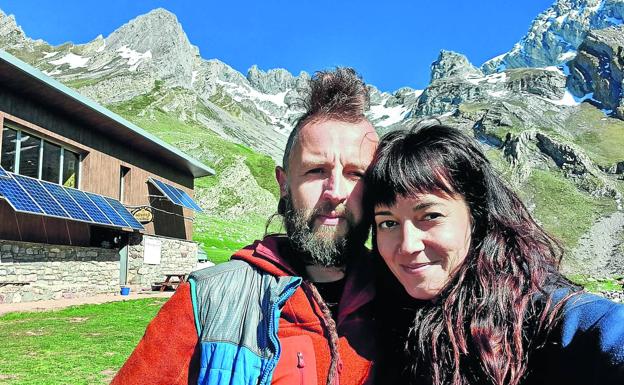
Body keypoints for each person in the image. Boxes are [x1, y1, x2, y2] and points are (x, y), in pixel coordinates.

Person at [110, 67, 379, 385]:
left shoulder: (407, 301)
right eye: (316, 170)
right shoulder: (207, 299)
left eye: (356, 174)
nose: (335, 191)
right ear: (283, 183)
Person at [365, 123, 624, 385]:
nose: (408, 245)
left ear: (477, 216)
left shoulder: (539, 315)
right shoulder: (378, 319)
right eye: (388, 222)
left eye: (430, 216)